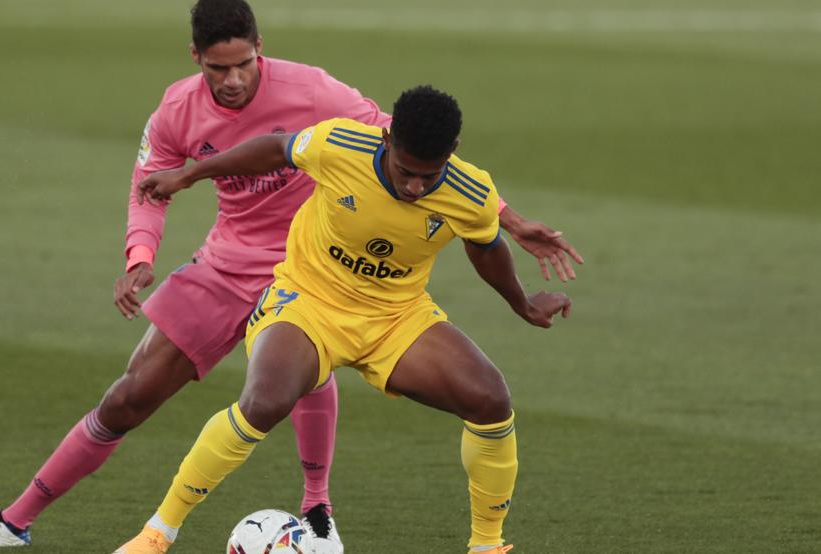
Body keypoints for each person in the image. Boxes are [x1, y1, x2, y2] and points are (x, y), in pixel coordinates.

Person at [0, 0, 581, 550]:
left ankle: (323, 512)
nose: (232, 79)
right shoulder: (178, 113)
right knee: (136, 396)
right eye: (217, 67)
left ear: (259, 51)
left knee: (347, 381)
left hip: (347, 286)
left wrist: (509, 224)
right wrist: (141, 255)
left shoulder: (316, 94)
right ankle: (22, 522)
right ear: (195, 57)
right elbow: (156, 183)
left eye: (243, 64)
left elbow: (436, 176)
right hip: (237, 267)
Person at [114, 85, 572, 554]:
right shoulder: (340, 145)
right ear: (388, 138)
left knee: (491, 399)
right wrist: (189, 176)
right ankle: (156, 534)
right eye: (406, 172)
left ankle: (487, 547)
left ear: (452, 153)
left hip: (395, 316)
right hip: (307, 301)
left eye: (428, 177)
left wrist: (521, 303)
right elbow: (275, 148)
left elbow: (486, 246)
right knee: (264, 402)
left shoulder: (469, 190)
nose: (415, 188)